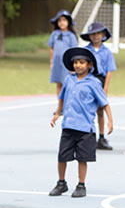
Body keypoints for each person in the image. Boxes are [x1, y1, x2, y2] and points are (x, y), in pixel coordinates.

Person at [49, 48, 113, 198]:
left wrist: (110, 121)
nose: (78, 65)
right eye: (76, 62)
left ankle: (81, 184)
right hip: (68, 126)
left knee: (82, 158)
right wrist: (57, 113)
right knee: (62, 157)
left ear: (89, 65)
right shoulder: (69, 80)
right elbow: (62, 98)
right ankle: (61, 183)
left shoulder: (94, 83)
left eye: (81, 62)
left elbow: (105, 103)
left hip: (85, 128)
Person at [80, 21, 117, 151]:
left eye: (98, 34)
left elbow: (109, 71)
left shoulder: (107, 52)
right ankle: (86, 136)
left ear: (103, 35)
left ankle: (101, 138)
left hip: (100, 81)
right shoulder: (86, 51)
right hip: (88, 80)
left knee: (100, 110)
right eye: (93, 34)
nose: (95, 36)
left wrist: (105, 88)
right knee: (86, 109)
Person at [47, 10, 78, 97]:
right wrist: (51, 62)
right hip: (57, 63)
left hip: (66, 64)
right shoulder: (55, 34)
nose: (62, 23)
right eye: (59, 20)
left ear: (68, 22)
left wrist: (73, 66)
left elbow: (74, 51)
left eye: (64, 20)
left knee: (67, 84)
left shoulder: (71, 36)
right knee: (58, 84)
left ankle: (66, 105)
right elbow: (52, 48)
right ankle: (60, 106)